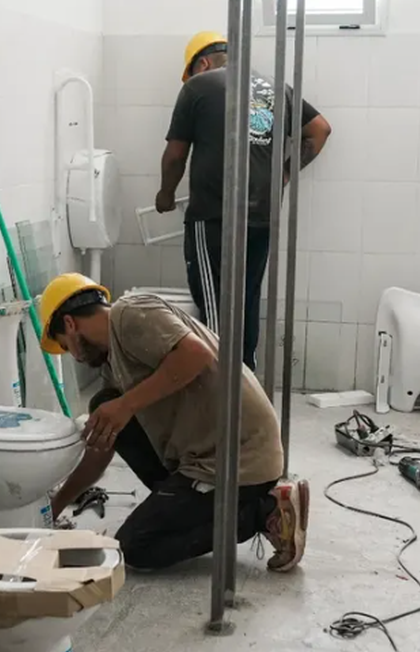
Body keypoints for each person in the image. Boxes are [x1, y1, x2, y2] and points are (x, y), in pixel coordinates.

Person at [39, 272, 308, 572]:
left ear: (70, 324)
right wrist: (57, 502)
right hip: (207, 452)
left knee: (137, 546)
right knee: (104, 406)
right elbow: (104, 443)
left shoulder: (130, 314)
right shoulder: (113, 360)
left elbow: (196, 355)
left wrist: (126, 405)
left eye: (64, 346)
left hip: (242, 458)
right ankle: (196, 504)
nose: (72, 356)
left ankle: (263, 511)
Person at [156, 31, 332, 371]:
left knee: (214, 307)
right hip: (264, 216)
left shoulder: (198, 86)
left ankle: (220, 392)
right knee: (247, 301)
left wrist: (165, 195)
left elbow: (175, 156)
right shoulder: (275, 87)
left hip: (214, 216)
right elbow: (320, 130)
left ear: (202, 63)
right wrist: (284, 173)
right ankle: (245, 384)